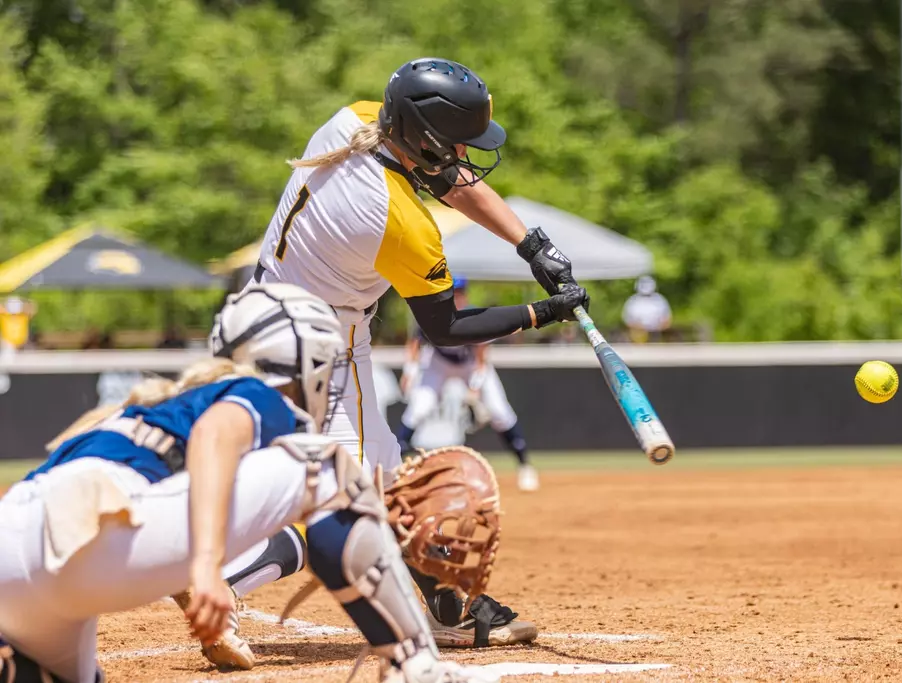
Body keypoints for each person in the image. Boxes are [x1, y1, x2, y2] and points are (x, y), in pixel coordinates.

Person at [241, 56, 589, 649]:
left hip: (263, 318)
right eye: (454, 144)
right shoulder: (398, 220)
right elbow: (447, 328)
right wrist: (542, 312)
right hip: (319, 347)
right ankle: (222, 583)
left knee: (376, 481)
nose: (463, 157)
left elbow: (449, 180)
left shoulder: (357, 121)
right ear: (423, 140)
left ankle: (446, 605)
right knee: (357, 501)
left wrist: (530, 244)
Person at [0, 283, 498, 683]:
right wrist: (206, 566)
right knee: (327, 466)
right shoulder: (255, 394)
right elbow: (218, 436)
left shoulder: (154, 406)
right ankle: (416, 664)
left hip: (18, 554)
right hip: (85, 538)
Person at [397, 277, 538, 492]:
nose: (457, 297)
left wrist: (474, 387)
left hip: (470, 365)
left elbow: (481, 359)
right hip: (439, 363)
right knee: (419, 408)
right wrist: (410, 371)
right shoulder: (432, 313)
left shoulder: (474, 315)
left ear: (466, 295)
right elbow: (415, 343)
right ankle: (395, 467)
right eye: (453, 292)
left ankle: (525, 466)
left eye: (460, 292)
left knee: (500, 412)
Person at [622, 275, 672, 343]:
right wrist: (639, 328)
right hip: (638, 335)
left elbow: (667, 319)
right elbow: (627, 319)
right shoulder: (632, 301)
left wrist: (659, 328)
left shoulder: (660, 300)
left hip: (657, 333)